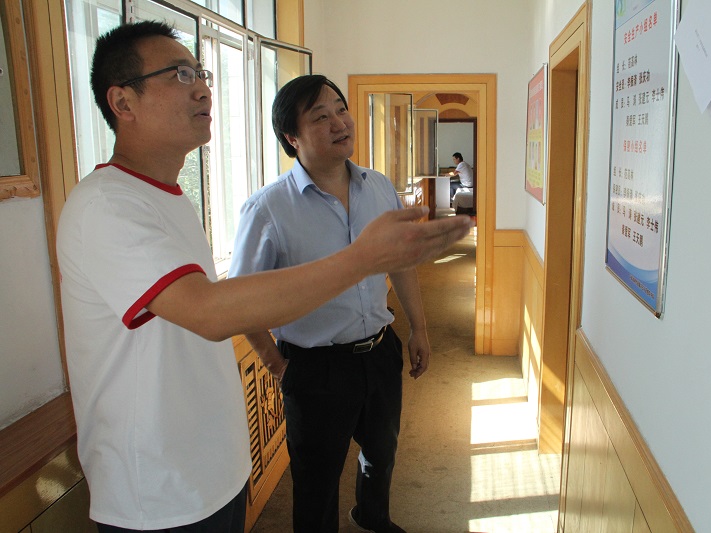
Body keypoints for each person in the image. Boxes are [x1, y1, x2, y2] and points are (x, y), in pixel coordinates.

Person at [56, 22, 472, 532]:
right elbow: (211, 311)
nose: (202, 88)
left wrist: (412, 319)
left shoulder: (168, 199)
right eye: (181, 74)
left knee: (380, 452)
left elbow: (209, 312)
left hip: (213, 469)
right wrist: (359, 262)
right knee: (317, 487)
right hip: (158, 492)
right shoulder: (106, 206)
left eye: (202, 74)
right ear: (123, 102)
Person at [228, 74, 425, 533]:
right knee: (316, 482)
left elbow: (401, 263)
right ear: (291, 138)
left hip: (379, 351)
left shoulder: (379, 187)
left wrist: (419, 327)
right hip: (315, 368)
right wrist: (277, 365)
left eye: (341, 109)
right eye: (320, 117)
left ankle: (372, 517)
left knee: (382, 453)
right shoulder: (268, 210)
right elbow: (240, 301)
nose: (340, 122)